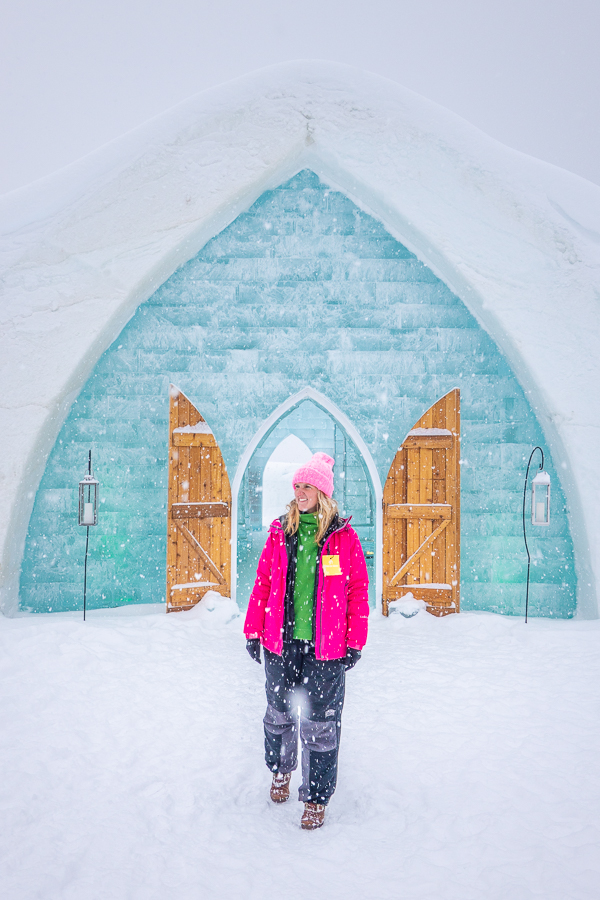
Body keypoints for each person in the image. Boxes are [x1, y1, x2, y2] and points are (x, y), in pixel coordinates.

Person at [244, 451, 369, 830]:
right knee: (278, 713)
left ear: (322, 492)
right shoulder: (281, 532)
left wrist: (354, 642)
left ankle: (315, 797)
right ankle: (280, 771)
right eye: (296, 486)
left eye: (306, 486)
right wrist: (253, 629)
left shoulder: (343, 538)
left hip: (326, 647)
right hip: (281, 641)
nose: (299, 492)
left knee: (320, 723)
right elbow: (263, 582)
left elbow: (357, 592)